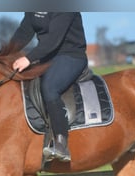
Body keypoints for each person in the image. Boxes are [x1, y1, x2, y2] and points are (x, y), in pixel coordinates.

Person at [11, 12, 88, 162]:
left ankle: (61, 144)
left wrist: (28, 59)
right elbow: (23, 32)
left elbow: (54, 40)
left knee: (50, 88)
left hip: (71, 56)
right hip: (46, 57)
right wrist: (4, 54)